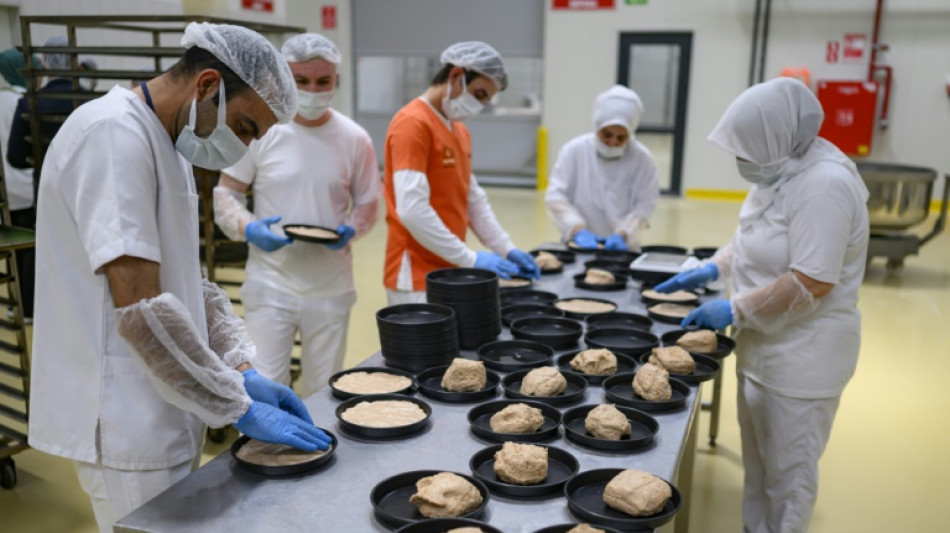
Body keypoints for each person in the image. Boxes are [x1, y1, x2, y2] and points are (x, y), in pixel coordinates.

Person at [28, 23, 331, 533]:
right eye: (245, 126)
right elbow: (142, 308)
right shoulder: (111, 136)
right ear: (208, 85)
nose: (244, 145)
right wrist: (233, 403)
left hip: (167, 406)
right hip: (126, 421)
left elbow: (188, 278)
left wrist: (240, 367)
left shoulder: (169, 142)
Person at [654, 78, 869, 533]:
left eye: (745, 150)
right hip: (763, 346)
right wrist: (712, 268)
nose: (740, 161)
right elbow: (752, 242)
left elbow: (812, 280)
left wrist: (734, 310)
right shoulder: (778, 171)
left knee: (789, 475)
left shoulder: (824, 186)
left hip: (804, 359)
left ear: (775, 139)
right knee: (760, 465)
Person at [213, 33, 380, 397]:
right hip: (271, 282)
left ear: (336, 79)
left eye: (323, 81)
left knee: (324, 388)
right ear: (283, 78)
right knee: (266, 385)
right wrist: (248, 227)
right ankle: (270, 452)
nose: (312, 90)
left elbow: (368, 203)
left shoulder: (354, 139)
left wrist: (352, 228)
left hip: (330, 286)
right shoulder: (262, 129)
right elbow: (227, 191)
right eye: (301, 80)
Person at [383, 41, 540, 304]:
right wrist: (471, 258)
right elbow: (411, 210)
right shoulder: (413, 123)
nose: (479, 105)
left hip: (449, 267)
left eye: (486, 100)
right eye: (479, 94)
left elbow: (473, 198)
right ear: (456, 76)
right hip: (416, 278)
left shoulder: (458, 129)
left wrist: (505, 248)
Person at [545, 85, 659, 251]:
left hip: (624, 248)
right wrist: (577, 230)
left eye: (621, 137)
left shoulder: (642, 159)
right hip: (578, 245)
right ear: (597, 126)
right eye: (607, 134)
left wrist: (624, 233)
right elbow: (556, 197)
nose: (613, 142)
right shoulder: (575, 151)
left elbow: (645, 204)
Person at [0, 48, 40, 321]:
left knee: (10, 246)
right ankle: (28, 308)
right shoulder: (23, 103)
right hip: (26, 185)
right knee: (30, 249)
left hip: (4, 191)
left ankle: (15, 303)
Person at [6, 36, 85, 170]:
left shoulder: (28, 103)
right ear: (76, 63)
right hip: (85, 186)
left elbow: (16, 158)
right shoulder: (92, 100)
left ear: (43, 64)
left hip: (46, 186)